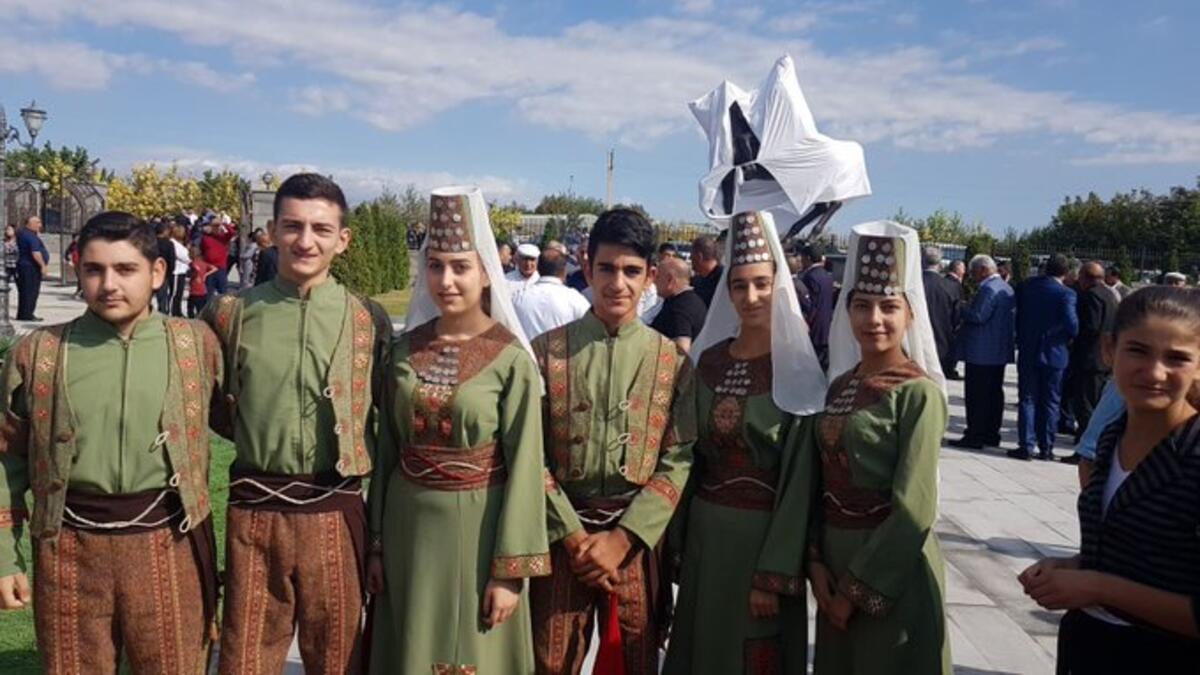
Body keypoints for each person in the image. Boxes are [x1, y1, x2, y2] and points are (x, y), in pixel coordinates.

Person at [0, 211, 223, 674]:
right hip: (68, 547)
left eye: (125, 269)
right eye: (94, 270)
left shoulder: (197, 345)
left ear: (156, 272)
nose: (109, 285)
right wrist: (4, 557)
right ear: (78, 269)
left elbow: (245, 419)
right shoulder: (38, 353)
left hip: (170, 542)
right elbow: (4, 459)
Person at [203, 173, 392, 674]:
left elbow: (387, 419)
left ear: (343, 240)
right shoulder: (230, 314)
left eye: (321, 229)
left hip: (336, 510)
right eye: (293, 226)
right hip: (255, 512)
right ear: (272, 231)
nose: (305, 241)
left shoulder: (366, 319)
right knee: (245, 658)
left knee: (338, 659)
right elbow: (210, 406)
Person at [366, 186, 550, 673]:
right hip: (406, 532)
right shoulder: (402, 352)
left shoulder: (510, 360)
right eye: (436, 266)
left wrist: (510, 571)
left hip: (479, 534)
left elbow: (527, 467)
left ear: (486, 272)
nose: (446, 280)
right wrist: (376, 544)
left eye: (460, 267)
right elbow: (387, 452)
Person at [529, 208, 697, 675]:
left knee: (635, 661)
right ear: (587, 267)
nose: (617, 283)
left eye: (631, 271)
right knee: (550, 661)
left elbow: (679, 458)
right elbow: (529, 454)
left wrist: (623, 539)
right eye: (607, 268)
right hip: (563, 538)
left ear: (650, 277)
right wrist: (574, 536)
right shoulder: (544, 353)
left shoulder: (671, 362)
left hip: (635, 541)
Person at [663, 211, 826, 674]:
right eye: (739, 285)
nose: (750, 297)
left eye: (761, 283)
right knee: (701, 648)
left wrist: (773, 575)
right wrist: (676, 542)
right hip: (705, 539)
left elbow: (800, 485)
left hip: (763, 544)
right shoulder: (709, 362)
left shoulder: (797, 371)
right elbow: (685, 455)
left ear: (779, 286)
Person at [1019, 286, 1200, 673]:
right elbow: (1148, 554)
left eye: (1177, 358)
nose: (1155, 371)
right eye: (1138, 350)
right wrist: (1076, 566)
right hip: (1089, 647)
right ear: (1108, 349)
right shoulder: (1112, 437)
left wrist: (1097, 586)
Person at [811, 220, 950, 674]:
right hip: (835, 566)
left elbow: (915, 508)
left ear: (910, 315)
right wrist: (816, 564)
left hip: (891, 571)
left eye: (889, 307)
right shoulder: (840, 387)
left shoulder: (918, 394)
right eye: (862, 306)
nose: (874, 319)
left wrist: (854, 591)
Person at [1012, 254, 1079, 461]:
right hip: (1055, 352)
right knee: (1051, 401)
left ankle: (1026, 445)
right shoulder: (1066, 294)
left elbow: (1017, 314)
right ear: (1066, 272)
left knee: (1027, 399)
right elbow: (1072, 325)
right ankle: (1046, 447)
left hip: (1028, 350)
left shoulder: (1027, 287)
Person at [949, 254, 1016, 450]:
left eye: (974, 271)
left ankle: (975, 435)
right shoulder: (1006, 287)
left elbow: (979, 316)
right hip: (998, 351)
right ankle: (991, 433)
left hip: (981, 352)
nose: (972, 276)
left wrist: (961, 308)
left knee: (977, 395)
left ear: (984, 270)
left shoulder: (988, 289)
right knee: (994, 394)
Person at [1064, 262, 1119, 459]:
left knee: (1085, 406)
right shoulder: (1110, 294)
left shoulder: (1091, 296)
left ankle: (1085, 451)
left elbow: (1091, 327)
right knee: (1094, 404)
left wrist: (1073, 340)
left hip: (1089, 359)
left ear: (1085, 277)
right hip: (1103, 359)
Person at [512, 247, 591, 340]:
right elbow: (592, 329)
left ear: (538, 269)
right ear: (564, 271)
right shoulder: (575, 299)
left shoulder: (518, 298)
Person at [649, 256, 707, 353]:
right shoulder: (691, 300)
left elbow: (682, 348)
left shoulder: (680, 309)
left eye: (658, 277)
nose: (654, 281)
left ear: (670, 280)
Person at [922, 246, 959, 381]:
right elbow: (956, 318)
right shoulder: (951, 286)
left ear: (921, 260)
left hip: (917, 342)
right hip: (943, 343)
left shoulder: (914, 284)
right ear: (940, 263)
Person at [798, 242, 835, 371]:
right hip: (826, 327)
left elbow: (810, 305)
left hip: (814, 328)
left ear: (808, 258)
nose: (801, 261)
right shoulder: (827, 276)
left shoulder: (809, 277)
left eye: (802, 258)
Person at [15, 215, 49, 321]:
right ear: (30, 224)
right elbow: (35, 252)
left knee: (25, 291)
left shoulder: (24, 234)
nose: (40, 225)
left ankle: (23, 314)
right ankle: (27, 314)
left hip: (25, 266)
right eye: (37, 222)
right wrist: (43, 265)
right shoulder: (29, 236)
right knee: (31, 291)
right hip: (30, 267)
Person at [198, 216, 236, 297]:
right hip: (209, 268)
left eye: (217, 226)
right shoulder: (205, 238)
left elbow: (232, 232)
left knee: (222, 292)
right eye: (214, 226)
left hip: (221, 268)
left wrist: (222, 223)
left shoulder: (223, 238)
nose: (216, 228)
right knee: (208, 292)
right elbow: (202, 251)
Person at [942, 259, 966, 379]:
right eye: (963, 268)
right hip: (952, 324)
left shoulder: (942, 281)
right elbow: (958, 306)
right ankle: (949, 369)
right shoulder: (956, 285)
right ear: (959, 270)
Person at [691, 235, 723, 307]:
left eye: (692, 257)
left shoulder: (723, 280)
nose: (691, 261)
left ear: (699, 257)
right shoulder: (697, 280)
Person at [187, 246, 216, 318]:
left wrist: (195, 274)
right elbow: (215, 268)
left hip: (194, 290)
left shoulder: (192, 264)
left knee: (190, 308)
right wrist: (206, 274)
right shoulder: (203, 263)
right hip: (203, 291)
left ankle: (192, 319)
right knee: (201, 309)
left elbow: (195, 269)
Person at [154, 222, 177, 314]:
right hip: (164, 273)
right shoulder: (169, 244)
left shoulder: (151, 242)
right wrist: (170, 272)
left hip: (150, 272)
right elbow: (172, 259)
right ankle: (162, 314)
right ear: (164, 231)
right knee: (162, 298)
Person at [169, 223, 190, 317]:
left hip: (182, 271)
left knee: (179, 293)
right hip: (176, 272)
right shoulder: (173, 243)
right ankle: (172, 311)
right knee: (175, 293)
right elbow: (184, 257)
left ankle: (178, 311)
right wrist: (190, 258)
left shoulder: (180, 244)